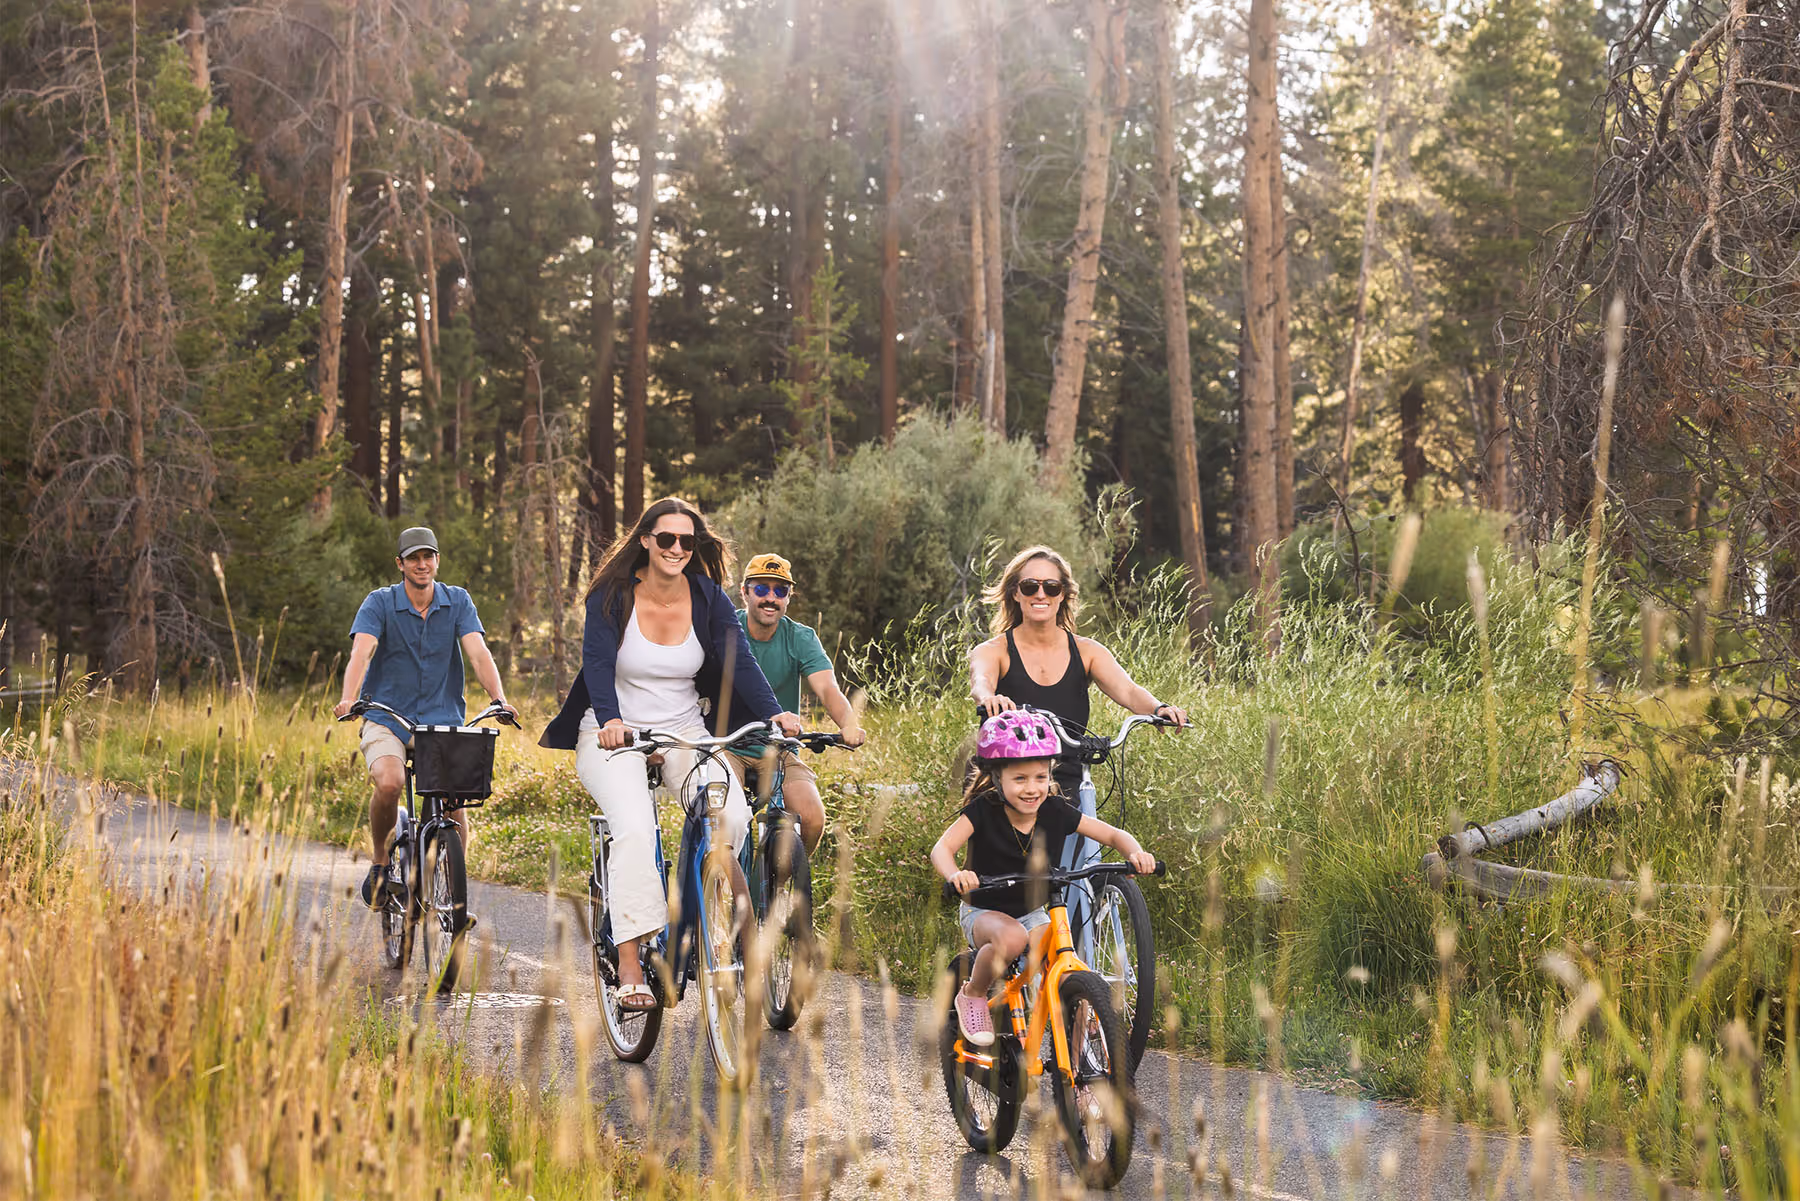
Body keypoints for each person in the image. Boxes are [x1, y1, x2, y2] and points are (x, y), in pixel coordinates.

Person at [540, 497, 802, 1012]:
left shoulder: (707, 596)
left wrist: (774, 713)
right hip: (613, 732)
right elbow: (596, 661)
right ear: (645, 540)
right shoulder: (613, 594)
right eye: (666, 539)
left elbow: (740, 660)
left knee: (729, 814)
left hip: (684, 728)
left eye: (687, 541)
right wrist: (611, 719)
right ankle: (632, 963)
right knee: (635, 828)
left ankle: (697, 923)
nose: (677, 549)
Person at [929, 711, 1156, 1047]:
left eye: (1039, 776)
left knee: (1071, 966)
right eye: (1019, 779)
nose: (1032, 788)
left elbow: (1112, 834)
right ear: (996, 778)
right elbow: (942, 849)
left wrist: (1135, 853)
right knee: (1012, 939)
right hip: (984, 910)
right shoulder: (983, 810)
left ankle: (1079, 1074)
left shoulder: (1054, 809)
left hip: (1033, 912)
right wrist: (956, 875)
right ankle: (973, 993)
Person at [334, 526, 516, 912]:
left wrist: (499, 698)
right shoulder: (380, 603)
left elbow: (479, 654)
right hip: (387, 714)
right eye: (413, 558)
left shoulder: (457, 601)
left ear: (436, 561)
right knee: (390, 781)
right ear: (400, 564)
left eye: (428, 556)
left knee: (455, 803)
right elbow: (361, 654)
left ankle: (453, 894)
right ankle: (381, 865)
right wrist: (349, 699)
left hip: (441, 717)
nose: (422, 564)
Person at [968, 544, 1189, 810]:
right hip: (1007, 777)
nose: (1041, 594)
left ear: (1063, 595)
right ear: (1016, 592)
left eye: (1051, 587)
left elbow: (1129, 691)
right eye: (1030, 586)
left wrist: (1159, 708)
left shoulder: (1088, 652)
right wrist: (991, 698)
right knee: (991, 841)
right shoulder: (994, 651)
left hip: (1064, 778)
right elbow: (981, 681)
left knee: (1084, 834)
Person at [730, 552, 865, 853]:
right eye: (761, 589)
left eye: (780, 591)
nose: (770, 598)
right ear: (745, 592)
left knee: (813, 819)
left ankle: (778, 892)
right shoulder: (728, 630)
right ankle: (722, 893)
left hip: (778, 748)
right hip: (729, 746)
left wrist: (849, 724)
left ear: (789, 597)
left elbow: (828, 689)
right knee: (729, 820)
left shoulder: (800, 638)